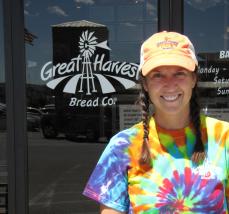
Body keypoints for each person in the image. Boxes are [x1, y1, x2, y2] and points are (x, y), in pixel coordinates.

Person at [83, 31, 229, 213]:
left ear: (194, 79)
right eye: (157, 75)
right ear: (145, 83)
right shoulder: (122, 147)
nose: (170, 84)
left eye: (179, 73)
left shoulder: (224, 138)